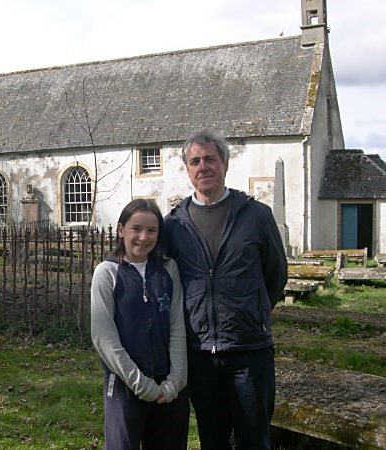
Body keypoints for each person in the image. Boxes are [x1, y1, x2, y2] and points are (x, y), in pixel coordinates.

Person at [164, 129, 287, 450]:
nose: (203, 166)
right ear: (188, 170)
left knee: (255, 441)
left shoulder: (256, 215)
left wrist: (251, 312)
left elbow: (276, 275)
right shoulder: (174, 225)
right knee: (212, 440)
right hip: (200, 355)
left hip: (250, 352)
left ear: (225, 163)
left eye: (209, 159)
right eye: (195, 161)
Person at [91, 198, 189, 450]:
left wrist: (175, 382)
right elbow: (104, 338)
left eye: (152, 230)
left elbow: (177, 328)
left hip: (169, 389)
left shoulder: (169, 270)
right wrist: (142, 385)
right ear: (121, 229)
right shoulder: (107, 272)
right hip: (125, 388)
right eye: (136, 229)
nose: (143, 237)